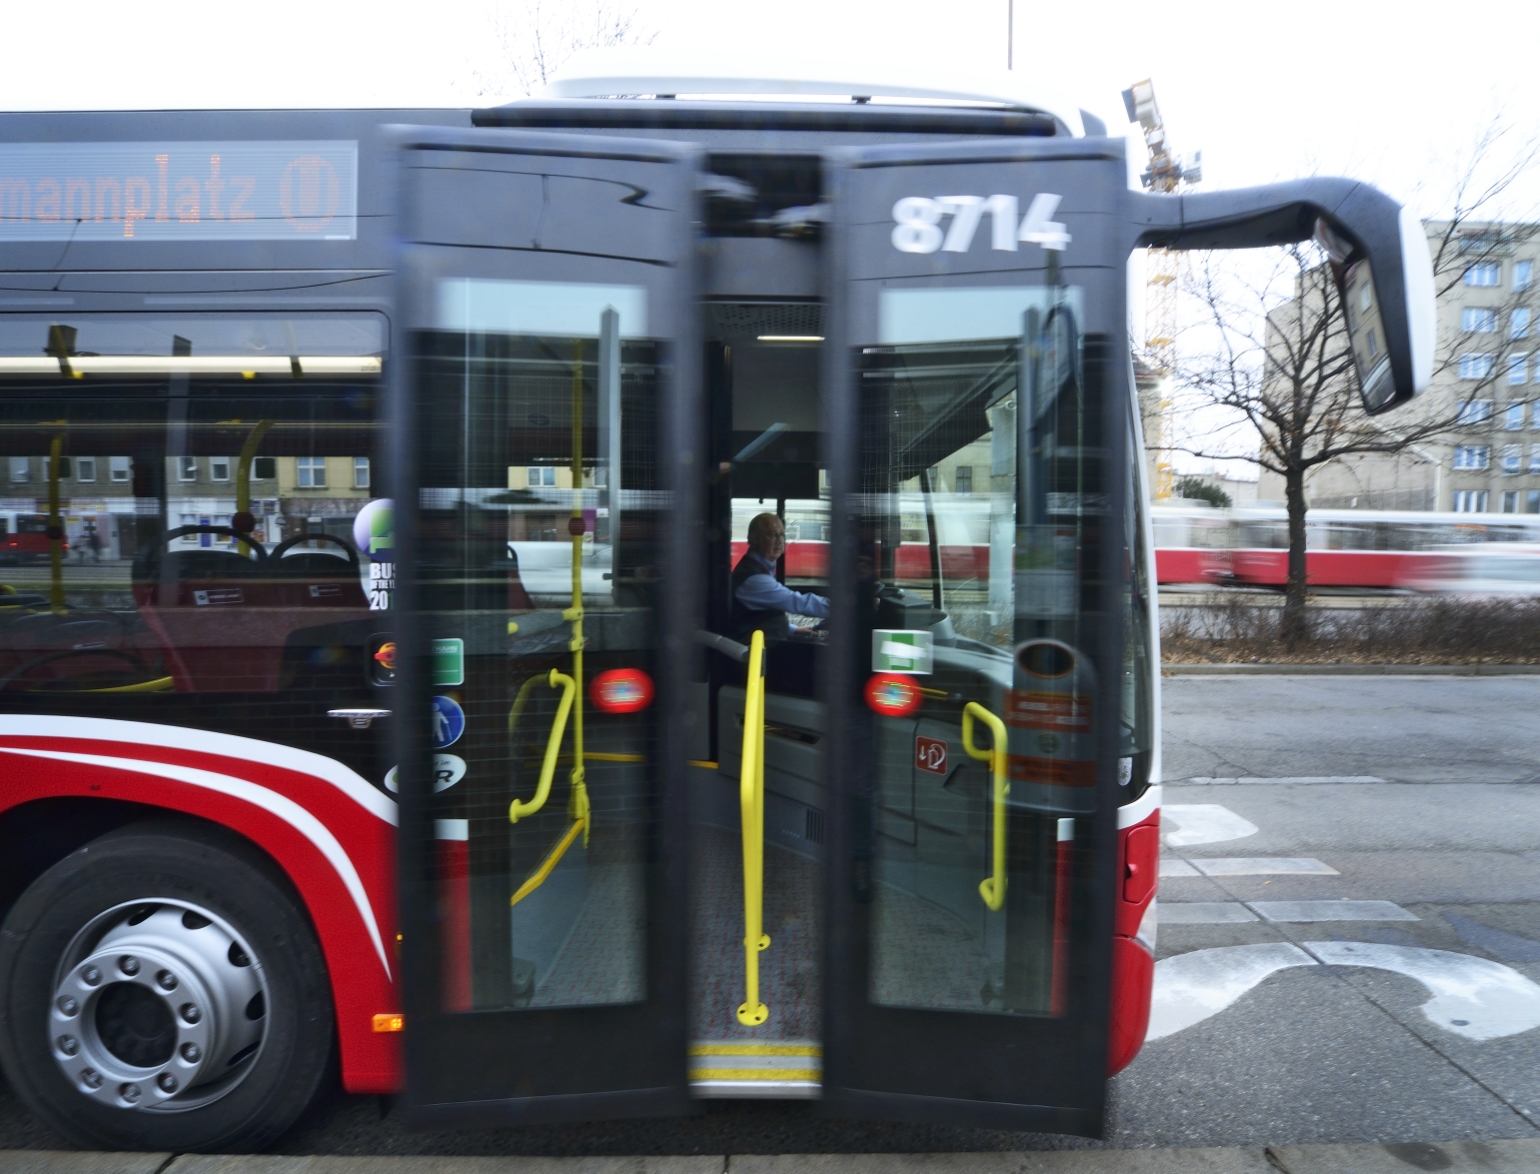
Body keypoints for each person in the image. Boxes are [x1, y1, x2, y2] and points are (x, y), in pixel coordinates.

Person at [730, 512, 829, 642]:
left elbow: (759, 616)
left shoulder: (757, 568)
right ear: (754, 539)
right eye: (771, 535)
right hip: (756, 652)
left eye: (782, 534)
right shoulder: (754, 579)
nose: (779, 541)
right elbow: (797, 602)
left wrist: (794, 629)